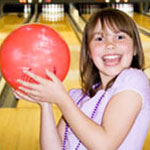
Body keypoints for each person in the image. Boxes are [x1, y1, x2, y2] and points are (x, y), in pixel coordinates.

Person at [14, 8, 150, 150]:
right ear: (89, 52)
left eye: (120, 37)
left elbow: (104, 145)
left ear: (135, 48)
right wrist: (45, 105)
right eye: (99, 38)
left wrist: (62, 99)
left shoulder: (134, 80)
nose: (110, 45)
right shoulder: (77, 98)